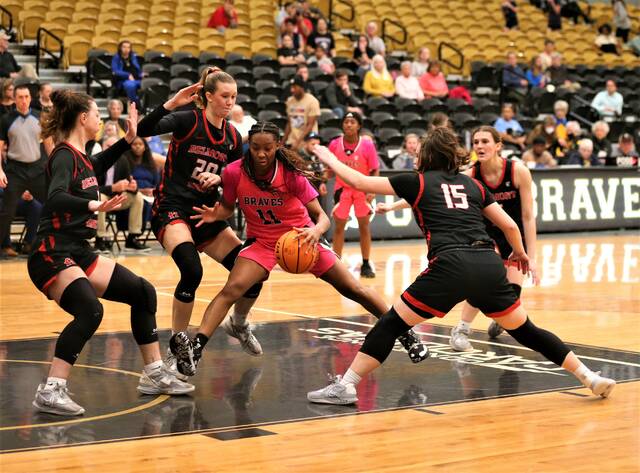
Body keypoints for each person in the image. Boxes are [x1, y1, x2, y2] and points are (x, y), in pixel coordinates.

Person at [307, 126, 616, 404]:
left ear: (426, 155)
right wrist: (520, 254)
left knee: (391, 324)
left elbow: (359, 180)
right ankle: (590, 377)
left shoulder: (416, 181)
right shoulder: (474, 186)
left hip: (450, 264)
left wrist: (327, 157)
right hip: (488, 263)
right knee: (528, 331)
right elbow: (510, 226)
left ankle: (345, 386)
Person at [168, 121, 429, 376]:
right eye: (256, 147)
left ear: (277, 145)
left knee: (354, 289)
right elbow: (227, 205)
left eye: (267, 148)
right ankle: (196, 348)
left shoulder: (290, 174)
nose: (261, 153)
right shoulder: (234, 172)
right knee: (231, 289)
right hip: (263, 242)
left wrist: (315, 232)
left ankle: (405, 333)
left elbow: (323, 217)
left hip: (302, 238)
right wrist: (217, 214)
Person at [28, 92, 194, 417]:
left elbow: (103, 159)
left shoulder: (84, 157)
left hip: (78, 251)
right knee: (90, 310)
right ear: (82, 119)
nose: (100, 119)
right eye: (96, 114)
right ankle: (52, 389)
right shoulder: (64, 156)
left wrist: (131, 135)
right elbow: (55, 197)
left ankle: (154, 373)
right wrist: (94, 204)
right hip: (52, 251)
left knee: (143, 292)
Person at [136, 70, 264, 372]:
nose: (230, 103)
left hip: (206, 213)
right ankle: (178, 344)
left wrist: (219, 181)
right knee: (191, 270)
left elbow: (233, 179)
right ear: (208, 96)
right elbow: (143, 128)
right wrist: (172, 103)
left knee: (252, 270)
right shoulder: (187, 120)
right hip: (173, 208)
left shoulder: (233, 136)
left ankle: (240, 323)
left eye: (233, 98)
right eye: (224, 97)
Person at [328, 112, 379, 278]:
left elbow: (375, 169)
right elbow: (328, 170)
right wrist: (322, 181)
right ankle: (336, 264)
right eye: (346, 122)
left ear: (359, 126)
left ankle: (365, 264)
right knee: (339, 227)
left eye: (352, 122)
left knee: (364, 226)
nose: (348, 124)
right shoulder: (335, 144)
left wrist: (372, 188)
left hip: (361, 189)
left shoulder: (367, 145)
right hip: (342, 189)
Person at [0, 84, 48, 258]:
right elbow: (0, 147)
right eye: (19, 97)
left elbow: (48, 143)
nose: (23, 100)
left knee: (53, 204)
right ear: (14, 98)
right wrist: (0, 170)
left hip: (37, 170)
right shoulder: (6, 119)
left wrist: (53, 164)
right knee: (7, 212)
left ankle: (57, 244)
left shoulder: (39, 117)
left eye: (26, 96)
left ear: (30, 98)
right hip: (16, 171)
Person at [94, 135, 148, 252]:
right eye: (108, 146)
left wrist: (134, 188)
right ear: (102, 147)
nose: (111, 149)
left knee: (137, 197)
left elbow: (128, 183)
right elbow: (92, 189)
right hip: (102, 197)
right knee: (100, 198)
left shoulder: (123, 160)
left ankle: (132, 238)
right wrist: (113, 188)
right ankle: (99, 239)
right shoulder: (95, 161)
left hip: (117, 199)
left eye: (114, 146)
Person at [124, 136, 160, 225]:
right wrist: (140, 191)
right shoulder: (125, 164)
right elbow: (124, 185)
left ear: (145, 147)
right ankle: (137, 232)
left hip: (150, 195)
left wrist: (153, 191)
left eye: (140, 144)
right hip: (133, 194)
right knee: (143, 204)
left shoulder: (151, 164)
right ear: (130, 146)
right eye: (134, 144)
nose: (138, 146)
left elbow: (157, 183)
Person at [283, 75, 320, 152]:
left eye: (294, 87)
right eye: (291, 87)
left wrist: (298, 142)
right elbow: (289, 123)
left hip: (308, 141)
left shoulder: (312, 101)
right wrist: (282, 142)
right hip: (292, 141)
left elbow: (310, 125)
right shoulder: (290, 101)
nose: (292, 90)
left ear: (302, 87)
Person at [0, 188, 42, 255]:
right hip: (4, 199)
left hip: (17, 199)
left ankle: (28, 243)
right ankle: (5, 246)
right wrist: (17, 193)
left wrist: (28, 193)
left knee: (36, 207)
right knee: (4, 209)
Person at [111, 41, 142, 107]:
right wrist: (127, 75)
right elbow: (115, 71)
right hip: (123, 80)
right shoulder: (116, 57)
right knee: (130, 85)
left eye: (128, 47)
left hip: (136, 79)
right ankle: (136, 105)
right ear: (120, 48)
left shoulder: (132, 56)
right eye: (124, 47)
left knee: (149, 83)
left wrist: (141, 74)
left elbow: (137, 69)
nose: (126, 49)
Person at [298, 131, 328, 199]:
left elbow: (324, 171)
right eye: (313, 144)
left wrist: (322, 183)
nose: (316, 147)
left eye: (318, 144)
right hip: (303, 192)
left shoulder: (319, 155)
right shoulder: (298, 157)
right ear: (306, 143)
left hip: (317, 191)